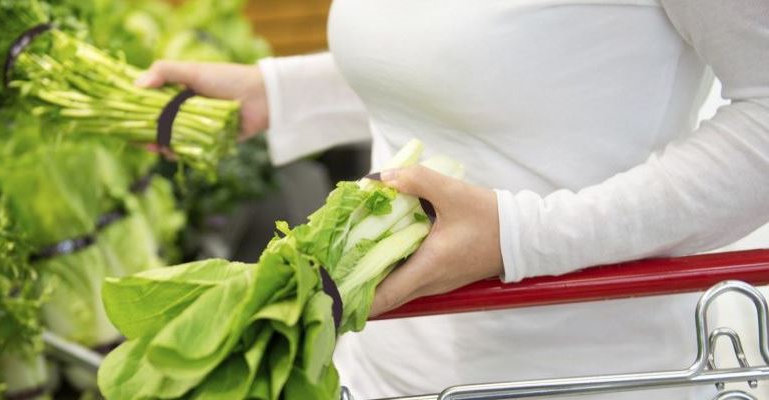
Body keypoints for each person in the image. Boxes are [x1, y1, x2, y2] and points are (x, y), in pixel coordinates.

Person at [135, 1, 769, 398]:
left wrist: (523, 236)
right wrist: (277, 92)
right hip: (376, 362)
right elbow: (462, 67)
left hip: (583, 374)